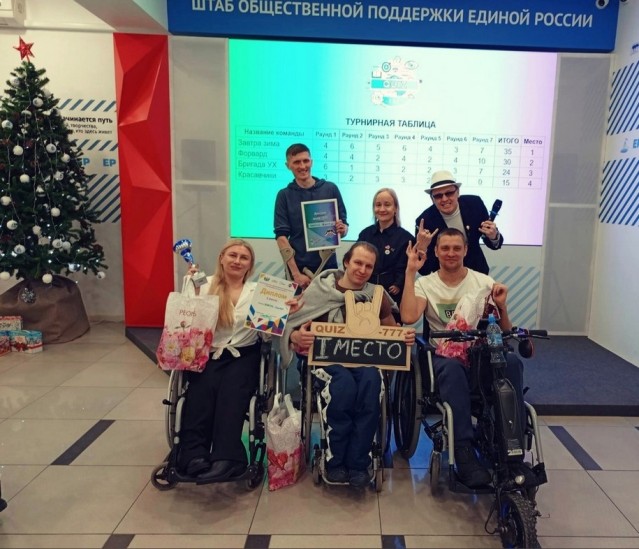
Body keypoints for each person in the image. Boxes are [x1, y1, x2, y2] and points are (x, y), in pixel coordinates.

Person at [281, 242, 415, 488]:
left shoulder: (377, 295)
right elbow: (293, 323)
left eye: (368, 266)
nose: (362, 270)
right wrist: (296, 336)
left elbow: (391, 329)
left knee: (371, 383)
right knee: (343, 385)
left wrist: (402, 337)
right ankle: (335, 460)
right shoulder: (320, 290)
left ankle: (358, 462)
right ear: (346, 262)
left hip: (365, 362)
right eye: (358, 263)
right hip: (326, 362)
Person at [400, 228, 524, 488]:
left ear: (466, 250)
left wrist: (501, 305)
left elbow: (505, 331)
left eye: (457, 248)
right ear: (436, 252)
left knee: (512, 362)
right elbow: (409, 317)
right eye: (445, 248)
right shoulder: (425, 284)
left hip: (480, 353)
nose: (451, 253)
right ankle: (464, 450)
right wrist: (411, 272)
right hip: (446, 354)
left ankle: (511, 446)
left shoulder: (483, 282)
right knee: (453, 370)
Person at [177, 239, 301, 482]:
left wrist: (283, 315)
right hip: (208, 353)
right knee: (200, 394)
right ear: (222, 258)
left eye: (244, 258)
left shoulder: (260, 292)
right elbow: (186, 321)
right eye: (232, 255)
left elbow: (266, 336)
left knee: (232, 394)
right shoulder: (202, 283)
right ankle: (193, 455)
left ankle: (228, 458)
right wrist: (191, 290)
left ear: (250, 265)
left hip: (244, 354)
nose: (237, 261)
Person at [274, 143, 349, 289]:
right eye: (297, 162)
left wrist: (343, 229)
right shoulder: (284, 196)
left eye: (306, 161)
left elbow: (344, 228)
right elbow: (281, 237)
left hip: (328, 269)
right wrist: (296, 274)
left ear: (311, 162)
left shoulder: (330, 189)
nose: (302, 166)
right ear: (288, 165)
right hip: (299, 272)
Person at [415, 170, 503, 276]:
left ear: (458, 192)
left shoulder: (475, 204)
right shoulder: (424, 221)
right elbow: (424, 271)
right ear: (432, 199)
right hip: (444, 278)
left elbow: (494, 244)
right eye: (438, 196)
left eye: (449, 193)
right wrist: (421, 249)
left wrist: (493, 236)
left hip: (477, 273)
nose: (444, 199)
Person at [357, 188, 414, 312]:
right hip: (365, 292)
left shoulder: (406, 238)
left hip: (392, 293)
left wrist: (398, 283)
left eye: (387, 205)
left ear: (395, 208)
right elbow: (355, 261)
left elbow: (405, 266)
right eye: (378, 205)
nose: (382, 209)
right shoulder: (365, 234)